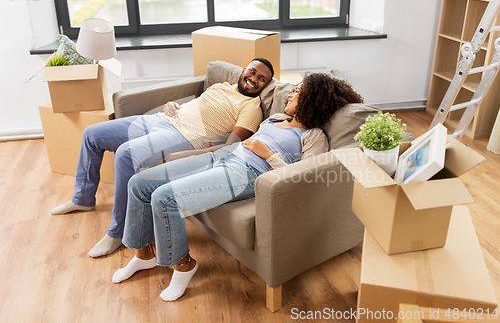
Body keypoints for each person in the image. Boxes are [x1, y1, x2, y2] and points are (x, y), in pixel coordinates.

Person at [112, 73, 364, 302]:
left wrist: (267, 155)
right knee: (139, 183)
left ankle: (184, 265)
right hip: (223, 157)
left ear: (312, 100)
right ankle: (144, 255)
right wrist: (202, 153)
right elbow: (237, 142)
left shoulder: (313, 136)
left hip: (244, 173)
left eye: (298, 92)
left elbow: (306, 179)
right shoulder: (276, 118)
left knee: (166, 198)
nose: (290, 94)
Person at [50, 58, 275, 258]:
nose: (254, 79)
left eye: (262, 79)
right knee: (92, 134)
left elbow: (230, 147)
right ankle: (83, 199)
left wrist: (188, 155)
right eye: (253, 72)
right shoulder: (220, 86)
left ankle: (118, 233)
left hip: (183, 137)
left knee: (125, 155)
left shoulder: (251, 107)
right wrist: (172, 106)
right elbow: (197, 108)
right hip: (162, 120)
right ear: (244, 69)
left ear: (264, 86)